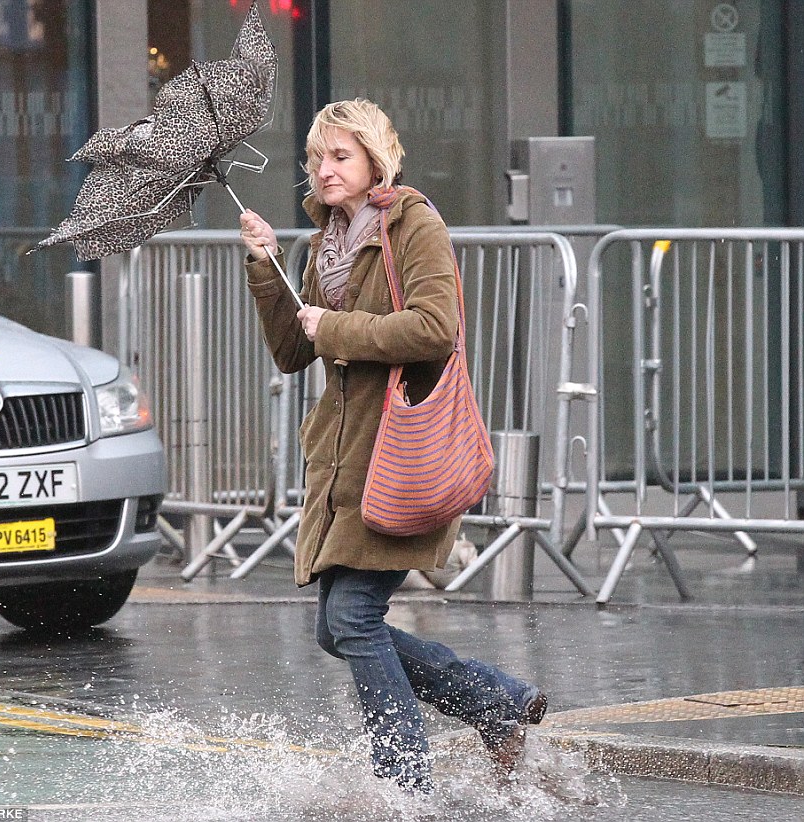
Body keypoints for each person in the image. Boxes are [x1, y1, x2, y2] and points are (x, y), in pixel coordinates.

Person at [239, 98, 546, 793]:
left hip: (400, 457)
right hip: (343, 466)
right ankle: (495, 704)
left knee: (352, 616)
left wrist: (338, 328)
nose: (324, 170)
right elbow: (293, 349)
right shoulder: (328, 241)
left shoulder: (413, 224)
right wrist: (264, 267)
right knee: (334, 629)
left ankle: (406, 787)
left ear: (376, 158)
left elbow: (435, 328)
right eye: (317, 158)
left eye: (340, 156)